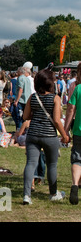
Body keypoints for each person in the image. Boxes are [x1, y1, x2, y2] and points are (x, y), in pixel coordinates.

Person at [22, 68, 70, 205]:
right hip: (49, 135)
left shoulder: (33, 97)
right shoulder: (55, 98)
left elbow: (25, 116)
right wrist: (65, 135)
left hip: (33, 134)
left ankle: (27, 195)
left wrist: (36, 116)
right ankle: (53, 193)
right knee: (52, 164)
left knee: (30, 164)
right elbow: (56, 120)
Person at [64, 64, 81, 205]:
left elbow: (70, 109)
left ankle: (75, 184)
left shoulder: (78, 89)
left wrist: (65, 129)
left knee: (77, 158)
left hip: (79, 130)